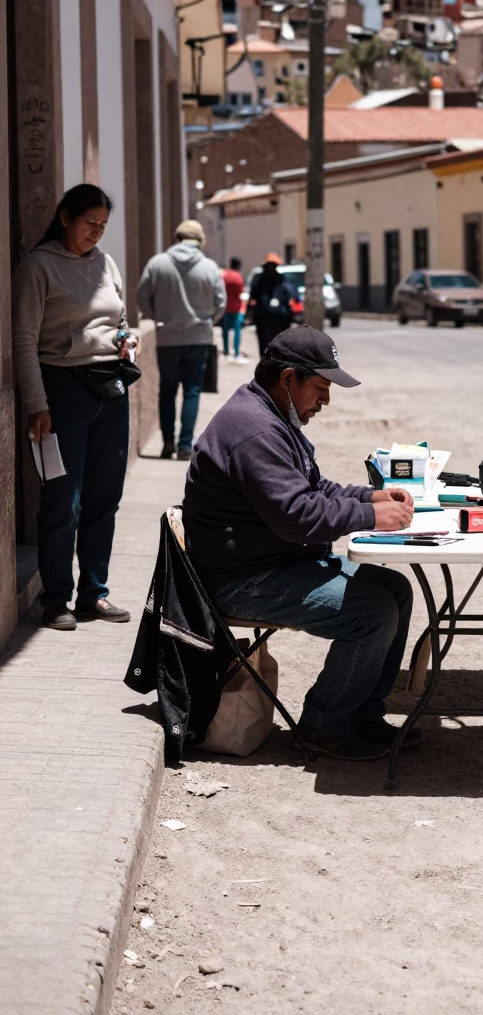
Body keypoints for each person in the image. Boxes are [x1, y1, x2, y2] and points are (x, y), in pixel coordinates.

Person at [182, 325, 418, 762]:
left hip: (274, 562)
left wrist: (368, 496)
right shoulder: (255, 431)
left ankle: (362, 713)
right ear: (288, 378)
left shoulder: (270, 413)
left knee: (395, 590)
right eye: (321, 388)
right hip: (241, 580)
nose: (325, 401)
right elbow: (297, 518)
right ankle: (323, 726)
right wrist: (370, 516)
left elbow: (312, 489)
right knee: (373, 611)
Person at [12, 185, 137, 630]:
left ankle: (94, 594)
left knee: (105, 499)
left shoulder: (106, 263)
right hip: (60, 393)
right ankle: (56, 598)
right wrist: (36, 403)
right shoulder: (38, 267)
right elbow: (23, 340)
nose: (97, 233)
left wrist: (127, 339)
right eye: (90, 223)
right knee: (62, 499)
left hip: (110, 390)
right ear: (66, 217)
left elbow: (119, 320)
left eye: (103, 226)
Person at [137, 219, 226, 461]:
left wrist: (160, 317)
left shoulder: (157, 264)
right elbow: (221, 303)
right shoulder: (209, 267)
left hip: (167, 338)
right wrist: (206, 320)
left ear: (177, 238)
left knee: (167, 390)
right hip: (198, 338)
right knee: (192, 391)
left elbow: (142, 298)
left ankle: (168, 443)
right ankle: (185, 446)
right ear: (199, 241)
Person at [247, 253, 298, 356]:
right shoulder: (259, 280)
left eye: (273, 266)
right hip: (264, 320)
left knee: (280, 348)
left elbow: (292, 296)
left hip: (280, 320)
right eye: (268, 266)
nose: (270, 269)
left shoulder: (283, 280)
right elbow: (252, 297)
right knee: (265, 349)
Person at [221, 256, 248, 365]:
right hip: (236, 307)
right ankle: (236, 352)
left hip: (226, 307)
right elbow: (240, 292)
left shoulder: (225, 275)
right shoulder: (238, 277)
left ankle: (226, 350)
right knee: (237, 331)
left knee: (225, 331)